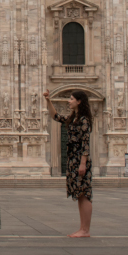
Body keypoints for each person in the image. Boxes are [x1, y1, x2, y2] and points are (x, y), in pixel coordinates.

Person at [43, 90, 93, 237]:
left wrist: (83, 163)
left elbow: (85, 143)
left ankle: (85, 230)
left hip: (79, 159)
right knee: (79, 194)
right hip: (73, 159)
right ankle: (83, 228)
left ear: (79, 101)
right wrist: (48, 100)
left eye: (71, 99)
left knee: (84, 193)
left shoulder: (84, 120)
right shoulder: (74, 118)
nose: (68, 101)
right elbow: (55, 116)